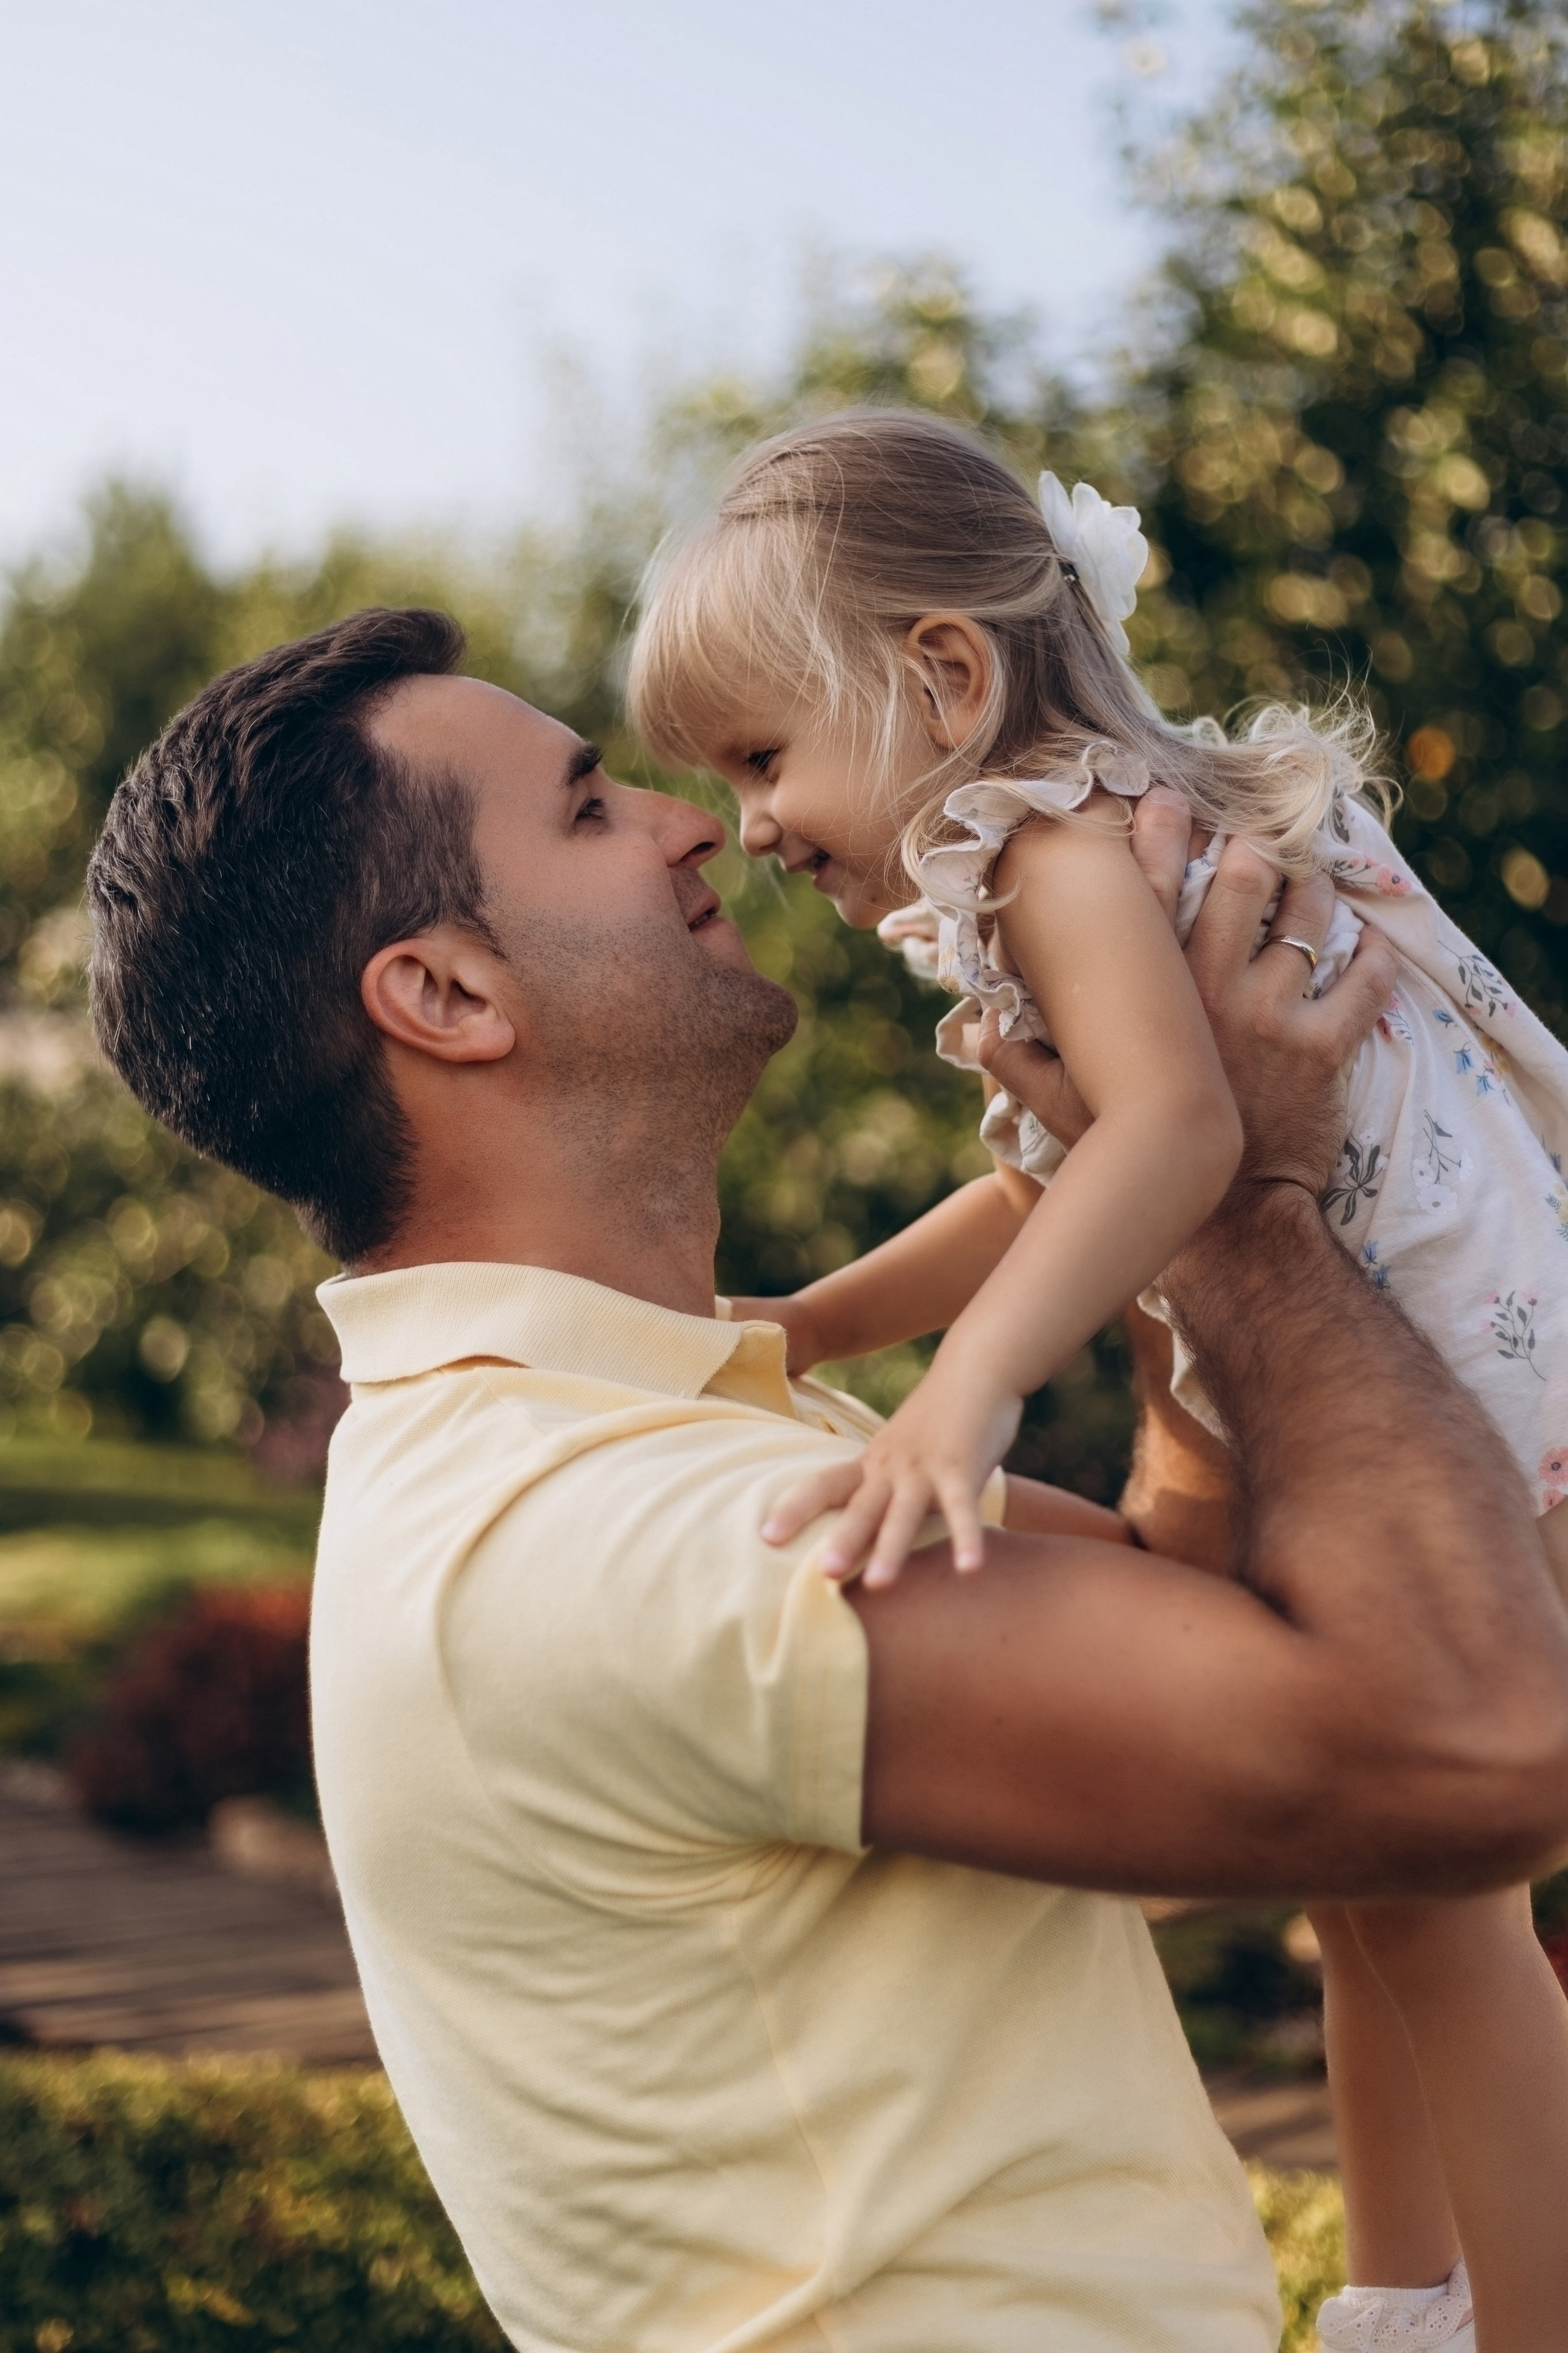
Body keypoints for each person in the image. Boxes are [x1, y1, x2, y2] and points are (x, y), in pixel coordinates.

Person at [85, 608, 1568, 2353]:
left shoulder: (690, 1442)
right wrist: (1239, 1192)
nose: (694, 820)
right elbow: (1474, 1750)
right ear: (446, 994)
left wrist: (1157, 1208)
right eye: (586, 807)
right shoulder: (623, 1536)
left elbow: (1242, 1605)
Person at [627, 411, 1568, 2351]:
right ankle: (1406, 2298)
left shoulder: (1055, 844)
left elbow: (1170, 1140)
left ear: (945, 675)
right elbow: (1058, 1173)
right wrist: (815, 1318)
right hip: (1442, 1382)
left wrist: (960, 1397)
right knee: (1372, 1886)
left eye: (758, 755)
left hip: (1465, 1400)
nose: (750, 826)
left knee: (1441, 1918)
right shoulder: (1098, 839)